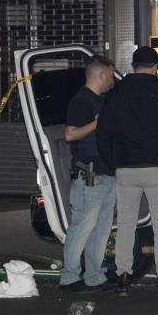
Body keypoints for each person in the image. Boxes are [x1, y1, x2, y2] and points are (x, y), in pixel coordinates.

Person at [97, 46, 158, 297]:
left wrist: (112, 163)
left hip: (126, 169)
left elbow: (103, 134)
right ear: (156, 67)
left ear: (133, 66)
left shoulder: (115, 96)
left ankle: (123, 278)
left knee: (127, 224)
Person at [59, 56, 116, 293]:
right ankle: (69, 277)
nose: (112, 80)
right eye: (111, 75)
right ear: (101, 75)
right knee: (82, 227)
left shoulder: (99, 101)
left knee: (100, 230)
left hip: (105, 173)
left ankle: (94, 276)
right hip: (90, 175)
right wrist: (96, 124)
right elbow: (70, 134)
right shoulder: (81, 101)